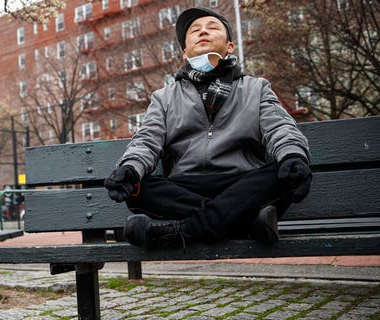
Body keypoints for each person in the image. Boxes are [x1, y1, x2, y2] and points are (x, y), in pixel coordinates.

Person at [104, 7, 312, 249]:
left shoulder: (257, 88)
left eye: (212, 27)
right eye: (195, 30)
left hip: (241, 182)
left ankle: (177, 232)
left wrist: (293, 156)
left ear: (230, 46)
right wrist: (130, 168)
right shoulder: (164, 97)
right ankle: (244, 223)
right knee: (140, 188)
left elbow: (280, 128)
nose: (203, 31)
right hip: (187, 186)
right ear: (184, 53)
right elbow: (147, 140)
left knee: (282, 174)